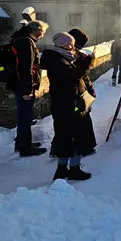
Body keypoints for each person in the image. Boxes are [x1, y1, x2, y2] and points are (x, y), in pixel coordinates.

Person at [41, 32, 95, 181]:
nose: (72, 46)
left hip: (66, 103)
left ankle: (62, 169)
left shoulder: (61, 57)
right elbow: (72, 76)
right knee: (74, 137)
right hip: (67, 105)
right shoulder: (57, 59)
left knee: (65, 137)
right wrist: (86, 63)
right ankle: (74, 170)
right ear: (61, 44)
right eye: (69, 44)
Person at [49, 28, 97, 158]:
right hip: (68, 99)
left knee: (75, 126)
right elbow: (75, 75)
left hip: (75, 96)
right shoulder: (61, 58)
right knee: (70, 130)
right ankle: (67, 162)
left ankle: (77, 152)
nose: (73, 47)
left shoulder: (69, 55)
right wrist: (86, 64)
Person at [8, 20, 49, 157]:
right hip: (23, 86)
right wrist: (28, 89)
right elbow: (26, 67)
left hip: (18, 84)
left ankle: (21, 144)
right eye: (42, 32)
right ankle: (25, 148)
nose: (42, 36)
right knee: (25, 116)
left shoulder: (20, 39)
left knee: (23, 116)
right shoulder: (27, 42)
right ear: (36, 30)